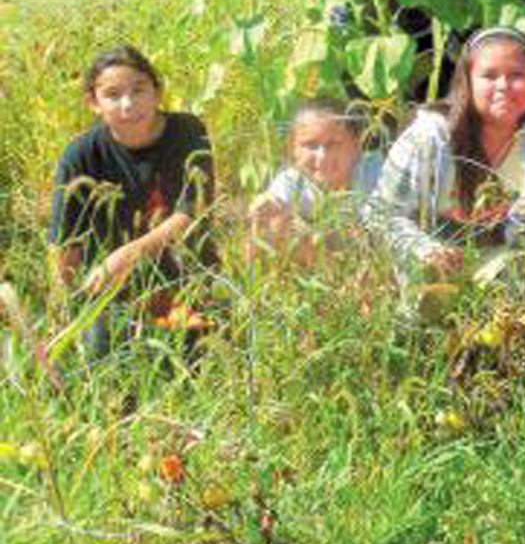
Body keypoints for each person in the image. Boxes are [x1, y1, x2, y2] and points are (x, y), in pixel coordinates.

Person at [368, 27, 525, 300]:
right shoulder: (431, 136)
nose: (503, 86)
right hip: (426, 268)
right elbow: (380, 214)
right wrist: (425, 250)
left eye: (517, 75)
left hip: (495, 272)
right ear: (467, 82)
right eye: (489, 75)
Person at [48, 46, 216, 358]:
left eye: (139, 90)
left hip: (185, 278)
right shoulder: (81, 155)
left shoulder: (188, 132)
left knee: (195, 360)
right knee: (105, 364)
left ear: (157, 91)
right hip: (114, 291)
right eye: (113, 94)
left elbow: (191, 214)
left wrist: (128, 254)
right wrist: (65, 314)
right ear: (93, 103)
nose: (128, 104)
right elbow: (65, 245)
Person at [248, 98, 382, 258]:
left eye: (334, 144)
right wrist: (262, 212)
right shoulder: (291, 182)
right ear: (292, 149)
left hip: (378, 259)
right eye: (310, 145)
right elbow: (268, 214)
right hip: (326, 261)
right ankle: (333, 274)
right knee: (272, 221)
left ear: (357, 146)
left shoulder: (380, 173)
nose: (322, 157)